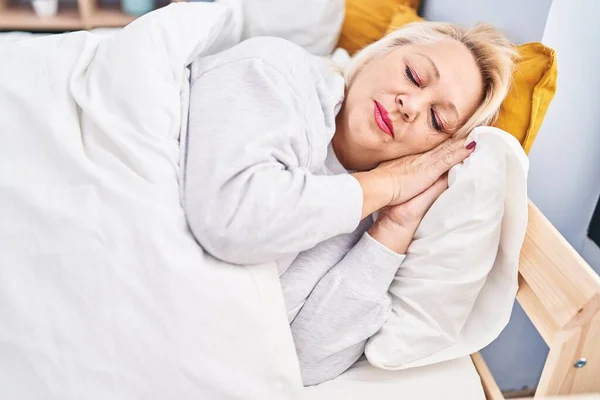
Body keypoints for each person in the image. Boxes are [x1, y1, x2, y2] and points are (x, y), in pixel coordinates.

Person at [182, 21, 517, 385]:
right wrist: (386, 183)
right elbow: (231, 220)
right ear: (379, 54)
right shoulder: (276, 71)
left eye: (437, 120)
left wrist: (393, 229)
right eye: (413, 75)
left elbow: (302, 362)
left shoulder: (366, 223)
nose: (412, 105)